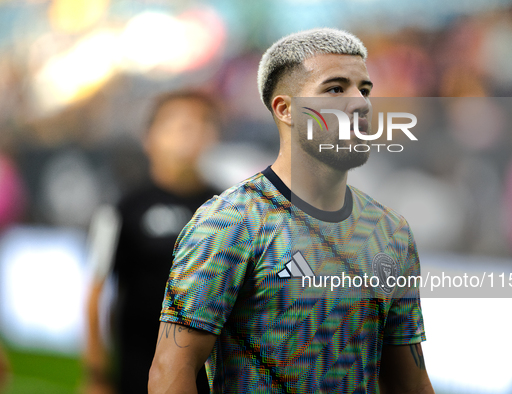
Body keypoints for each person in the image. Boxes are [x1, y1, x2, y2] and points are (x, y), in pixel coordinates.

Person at [149, 28, 434, 393]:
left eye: (364, 90)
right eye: (335, 89)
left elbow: (410, 381)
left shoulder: (390, 231)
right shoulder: (230, 222)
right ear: (285, 109)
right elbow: (170, 370)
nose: (360, 103)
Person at [85, 91, 220, 394]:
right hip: (138, 369)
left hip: (208, 372)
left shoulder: (227, 209)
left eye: (198, 124)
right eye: (176, 125)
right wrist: (95, 372)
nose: (187, 134)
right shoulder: (122, 208)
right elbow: (96, 290)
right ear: (149, 138)